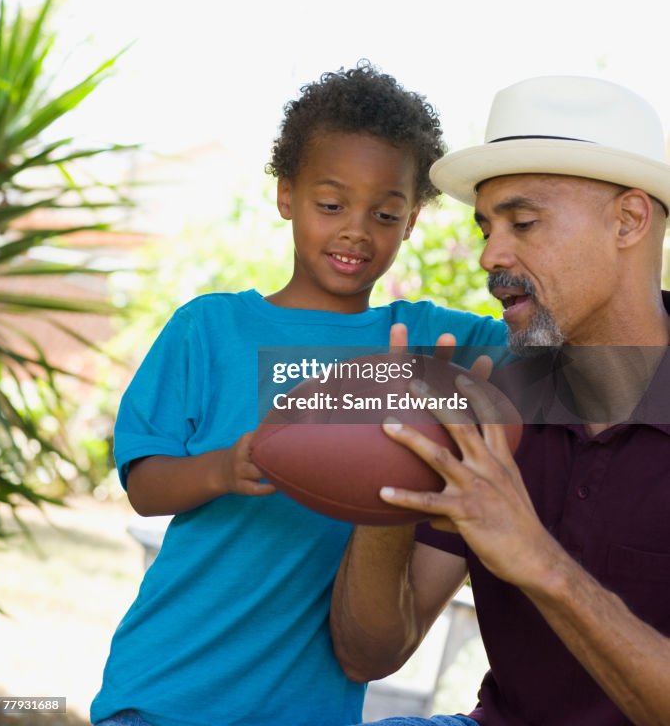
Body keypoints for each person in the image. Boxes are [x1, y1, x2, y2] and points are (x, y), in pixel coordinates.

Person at [90, 61, 507, 726]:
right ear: (286, 195)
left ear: (413, 219)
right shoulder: (211, 329)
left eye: (386, 213)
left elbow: (582, 358)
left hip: (304, 707)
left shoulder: (429, 339)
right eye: (331, 204)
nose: (356, 231)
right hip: (166, 692)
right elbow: (144, 482)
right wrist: (226, 467)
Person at [331, 74, 670, 726]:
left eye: (524, 222)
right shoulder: (494, 408)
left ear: (628, 220)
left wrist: (540, 561)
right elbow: (369, 654)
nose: (491, 254)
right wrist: (390, 474)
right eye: (487, 227)